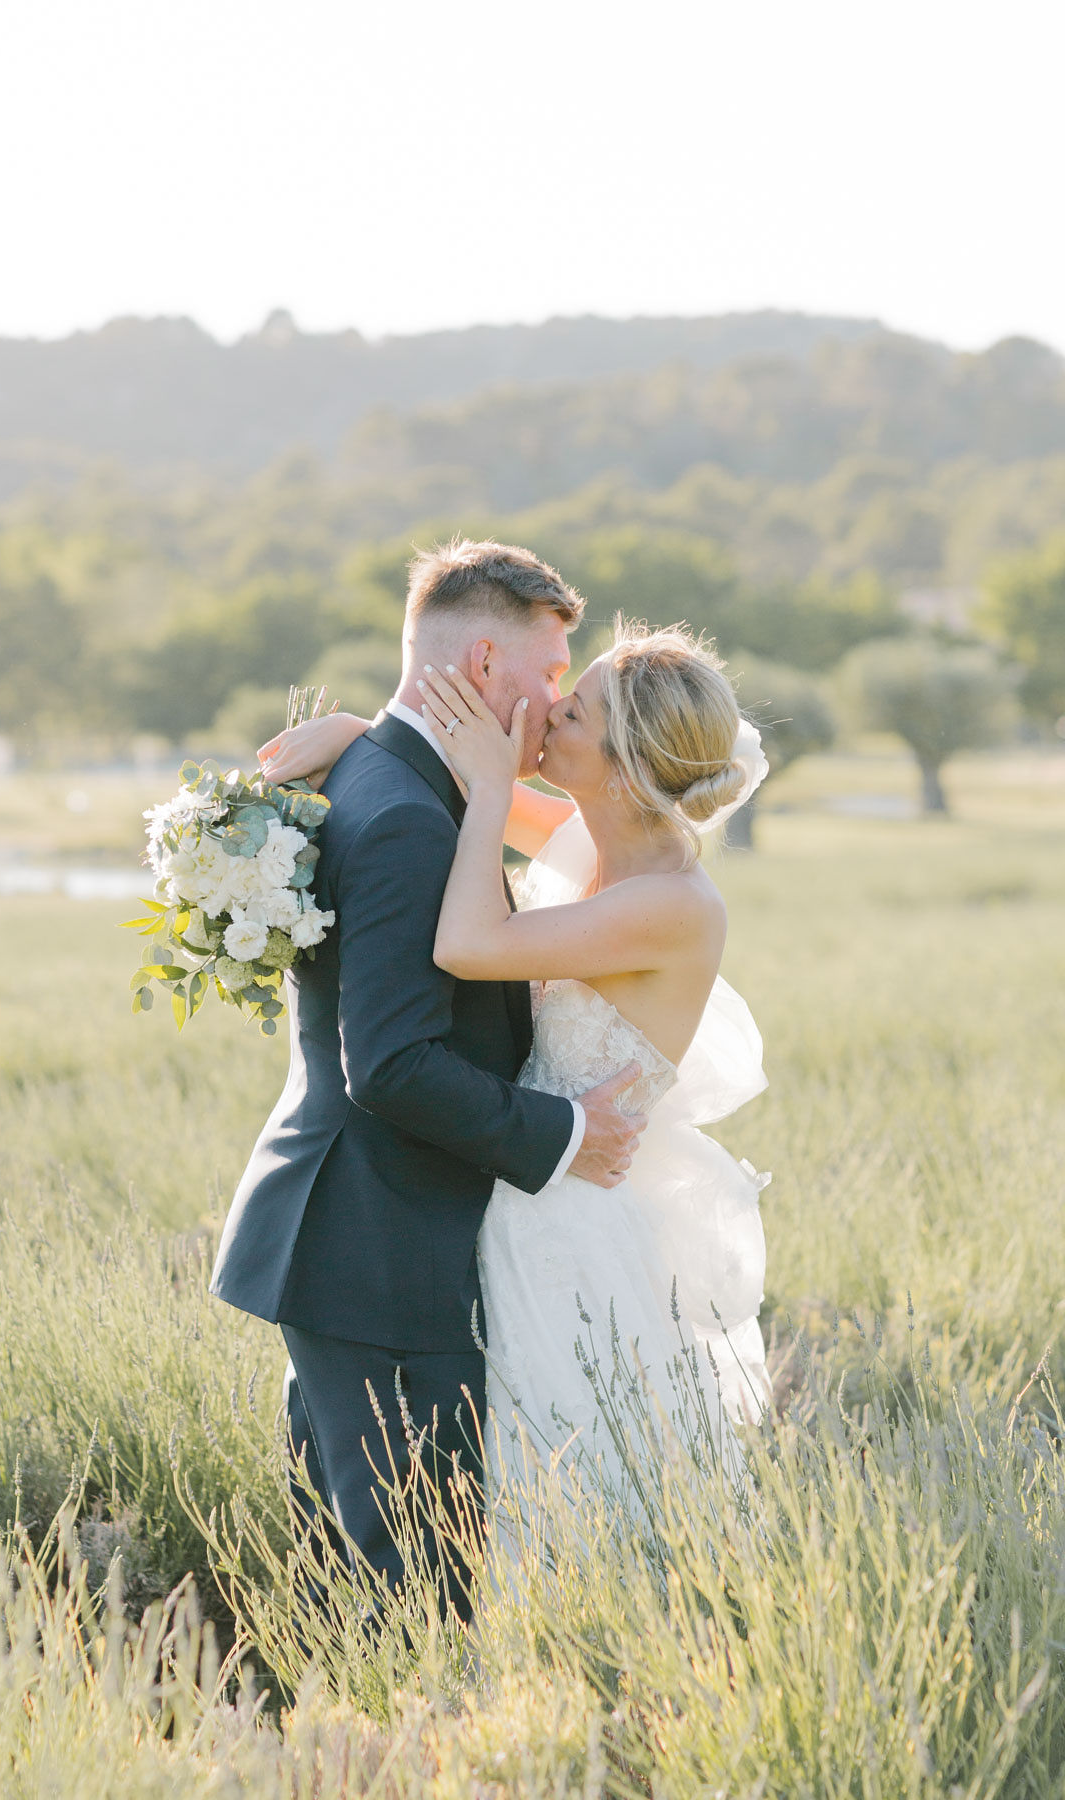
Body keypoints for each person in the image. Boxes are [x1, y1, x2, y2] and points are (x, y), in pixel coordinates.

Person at [208, 540, 644, 1627]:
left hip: (364, 1242)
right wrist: (560, 1135)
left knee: (355, 1582)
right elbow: (393, 1063)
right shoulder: (406, 816)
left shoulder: (389, 770)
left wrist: (360, 726)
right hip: (383, 1252)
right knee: (416, 1592)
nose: (555, 703)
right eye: (551, 677)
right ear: (486, 662)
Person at [261, 604, 773, 1523]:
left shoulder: (671, 903)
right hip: (521, 1176)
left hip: (575, 1214)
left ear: (620, 767)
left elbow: (465, 942)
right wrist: (356, 737)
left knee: (565, 1477)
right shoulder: (597, 833)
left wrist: (493, 792)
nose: (544, 714)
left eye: (572, 713)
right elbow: (445, 774)